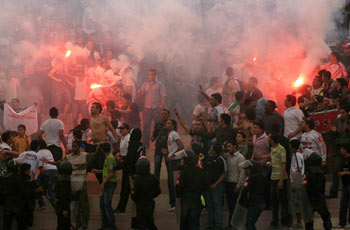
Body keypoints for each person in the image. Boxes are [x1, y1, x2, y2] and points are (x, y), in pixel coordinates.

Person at [43, 141, 91, 230]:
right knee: (75, 208)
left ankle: (84, 223)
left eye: (75, 146)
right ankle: (78, 224)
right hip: (72, 186)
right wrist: (48, 162)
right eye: (72, 146)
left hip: (81, 185)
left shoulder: (85, 155)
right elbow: (59, 162)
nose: (73, 148)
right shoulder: (68, 159)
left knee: (83, 206)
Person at [175, 150, 207, 230]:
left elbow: (179, 188)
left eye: (183, 159)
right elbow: (206, 184)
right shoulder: (200, 171)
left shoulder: (183, 172)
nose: (181, 160)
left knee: (185, 222)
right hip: (197, 199)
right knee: (194, 222)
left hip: (186, 199)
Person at [151, 109, 176, 209]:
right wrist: (153, 137)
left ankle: (172, 199)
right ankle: (155, 191)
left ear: (168, 115)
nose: (163, 115)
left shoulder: (171, 124)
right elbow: (154, 133)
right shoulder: (158, 124)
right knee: (156, 169)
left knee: (170, 172)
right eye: (162, 114)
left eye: (165, 114)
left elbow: (174, 135)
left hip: (167, 149)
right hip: (158, 148)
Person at [89, 102, 118, 184]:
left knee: (102, 165)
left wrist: (116, 140)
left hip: (102, 144)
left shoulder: (103, 118)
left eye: (93, 107)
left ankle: (105, 183)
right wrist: (90, 140)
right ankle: (102, 183)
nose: (91, 109)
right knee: (93, 166)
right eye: (91, 107)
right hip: (94, 145)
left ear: (98, 109)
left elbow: (112, 129)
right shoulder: (91, 120)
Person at [138, 69, 166, 148]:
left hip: (156, 108)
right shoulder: (145, 84)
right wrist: (140, 93)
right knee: (146, 127)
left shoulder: (160, 84)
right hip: (147, 108)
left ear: (155, 75)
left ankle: (158, 144)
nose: (151, 76)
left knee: (158, 126)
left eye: (153, 75)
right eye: (150, 75)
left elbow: (163, 96)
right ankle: (145, 145)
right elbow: (141, 95)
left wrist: (162, 105)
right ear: (148, 75)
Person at [304, 153, 332, 230]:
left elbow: (307, 186)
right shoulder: (321, 174)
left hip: (310, 198)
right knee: (326, 217)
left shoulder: (309, 174)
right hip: (320, 198)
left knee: (309, 220)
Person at [93, 143, 118, 230]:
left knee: (107, 204)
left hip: (109, 183)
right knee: (103, 204)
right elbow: (107, 170)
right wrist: (99, 171)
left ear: (102, 150)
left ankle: (111, 226)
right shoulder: (108, 158)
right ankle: (105, 225)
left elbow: (111, 173)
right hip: (107, 182)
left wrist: (103, 183)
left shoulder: (110, 158)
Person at [131, 157, 161, 230]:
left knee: (141, 223)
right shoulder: (153, 178)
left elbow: (134, 196)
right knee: (150, 220)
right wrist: (151, 195)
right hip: (150, 202)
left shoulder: (137, 180)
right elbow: (158, 191)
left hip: (140, 204)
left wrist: (133, 195)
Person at [203, 143, 227, 230]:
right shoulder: (208, 158)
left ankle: (217, 225)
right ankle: (210, 224)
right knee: (209, 206)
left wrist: (216, 184)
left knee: (217, 205)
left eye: (212, 147)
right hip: (207, 187)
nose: (210, 149)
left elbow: (224, 174)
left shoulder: (221, 159)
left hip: (217, 186)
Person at [223, 140, 246, 229]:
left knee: (234, 206)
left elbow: (242, 173)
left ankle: (234, 225)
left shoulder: (240, 157)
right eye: (227, 147)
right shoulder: (228, 156)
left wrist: (238, 185)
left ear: (235, 146)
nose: (228, 149)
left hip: (235, 184)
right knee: (230, 206)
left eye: (229, 146)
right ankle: (231, 224)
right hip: (228, 183)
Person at [328, 105, 350, 198]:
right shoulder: (337, 121)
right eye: (340, 113)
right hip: (340, 148)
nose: (341, 114)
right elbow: (334, 134)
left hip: (348, 148)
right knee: (336, 170)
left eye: (343, 113)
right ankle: (333, 191)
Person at [163, 119, 184, 211]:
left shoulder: (174, 134)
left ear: (173, 126)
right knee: (171, 183)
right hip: (172, 161)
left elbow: (181, 146)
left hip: (175, 162)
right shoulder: (170, 135)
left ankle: (175, 204)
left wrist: (173, 155)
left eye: (168, 123)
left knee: (174, 183)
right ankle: (173, 204)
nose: (166, 125)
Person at [269, 135, 290, 229]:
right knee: (274, 202)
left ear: (273, 139)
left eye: (269, 137)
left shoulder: (281, 149)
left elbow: (283, 164)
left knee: (282, 201)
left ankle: (285, 221)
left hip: (280, 178)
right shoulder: (272, 149)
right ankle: (274, 221)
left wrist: (281, 180)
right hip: (273, 177)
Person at [239, 159, 265, 230]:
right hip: (260, 203)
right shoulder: (260, 176)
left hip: (255, 203)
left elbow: (246, 189)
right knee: (251, 223)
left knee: (249, 223)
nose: (245, 171)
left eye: (247, 169)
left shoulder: (252, 178)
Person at [36, 140, 58, 209]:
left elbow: (40, 166)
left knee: (37, 185)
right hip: (54, 170)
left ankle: (41, 204)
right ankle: (56, 205)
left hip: (47, 171)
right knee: (51, 189)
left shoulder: (39, 152)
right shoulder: (48, 151)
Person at [115, 123, 131, 213]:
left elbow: (129, 151)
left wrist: (122, 157)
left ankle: (122, 207)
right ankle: (121, 207)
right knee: (124, 186)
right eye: (120, 128)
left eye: (123, 128)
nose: (121, 130)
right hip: (123, 161)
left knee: (126, 186)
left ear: (128, 129)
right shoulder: (122, 138)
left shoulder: (128, 138)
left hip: (127, 162)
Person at [289, 140, 305, 230]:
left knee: (297, 202)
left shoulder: (297, 155)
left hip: (296, 181)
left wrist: (296, 182)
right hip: (293, 181)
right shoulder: (294, 155)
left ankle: (299, 223)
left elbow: (299, 169)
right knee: (294, 202)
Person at [335, 144, 350, 228]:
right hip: (345, 185)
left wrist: (345, 173)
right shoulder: (342, 160)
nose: (340, 150)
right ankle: (342, 223)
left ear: (345, 149)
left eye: (341, 148)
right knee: (343, 205)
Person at [55, 161, 73, 230]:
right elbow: (63, 195)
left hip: (60, 205)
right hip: (63, 206)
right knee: (64, 224)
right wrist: (65, 209)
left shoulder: (59, 177)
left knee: (61, 223)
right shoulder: (65, 180)